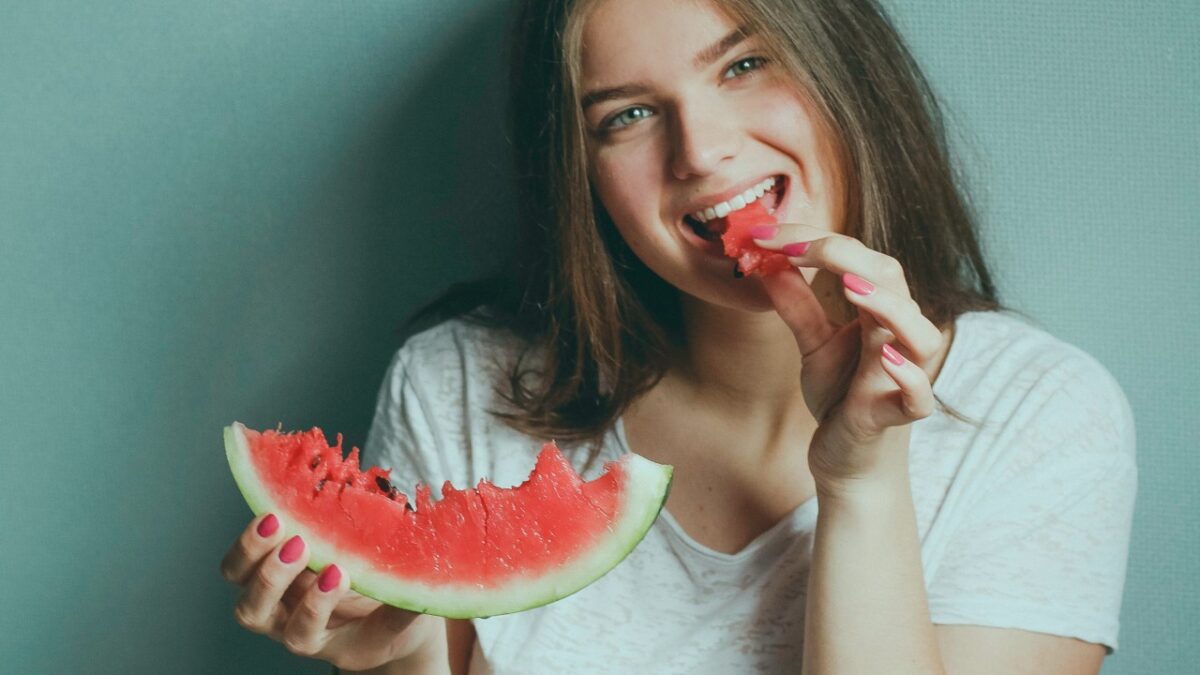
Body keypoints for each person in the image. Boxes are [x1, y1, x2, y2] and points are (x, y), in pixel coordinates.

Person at [219, 0, 1138, 672]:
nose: (700, 152)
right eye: (627, 115)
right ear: (580, 175)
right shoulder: (457, 385)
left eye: (745, 65)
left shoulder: (1042, 415)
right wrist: (399, 654)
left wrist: (861, 485)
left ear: (843, 67)